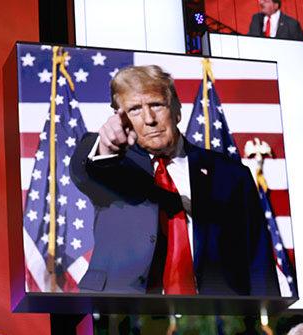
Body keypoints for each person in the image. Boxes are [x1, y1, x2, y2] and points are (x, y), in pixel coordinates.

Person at [70, 65, 280, 296]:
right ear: (121, 119)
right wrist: (106, 146)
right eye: (135, 110)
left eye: (156, 105)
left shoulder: (230, 174)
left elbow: (257, 259)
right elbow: (86, 172)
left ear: (176, 110)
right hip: (121, 313)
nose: (149, 119)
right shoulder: (111, 164)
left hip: (214, 317)